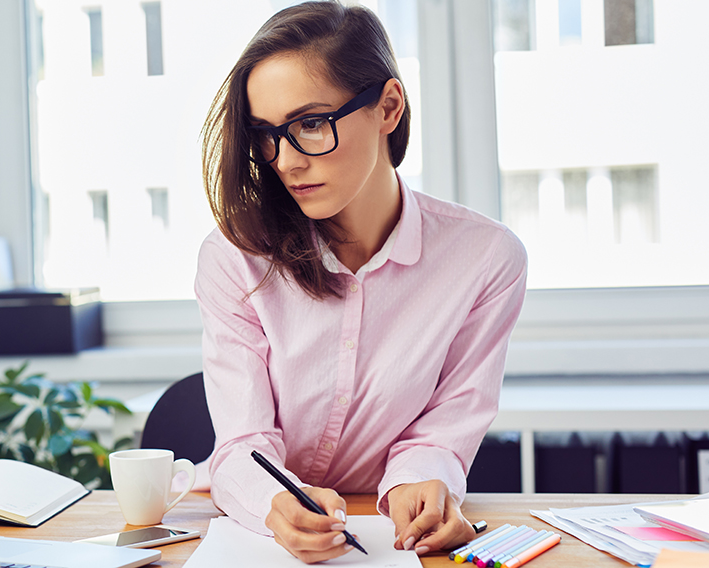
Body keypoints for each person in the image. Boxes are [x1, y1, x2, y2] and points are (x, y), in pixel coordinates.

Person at [195, 1, 527, 563]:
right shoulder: (235, 257)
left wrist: (421, 486)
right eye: (267, 135)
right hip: (256, 543)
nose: (286, 162)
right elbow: (242, 446)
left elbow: (444, 429)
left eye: (310, 124)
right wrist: (275, 503)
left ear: (388, 107)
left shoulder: (486, 259)